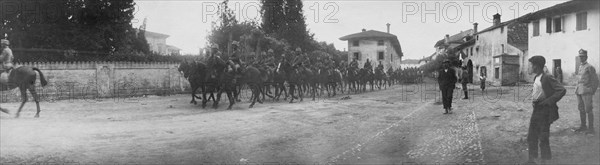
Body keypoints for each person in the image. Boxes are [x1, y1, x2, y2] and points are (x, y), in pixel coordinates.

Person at [525, 56, 566, 164]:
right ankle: (532, 160)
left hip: (545, 111)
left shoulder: (547, 77)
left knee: (543, 136)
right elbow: (539, 90)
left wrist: (547, 102)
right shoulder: (536, 77)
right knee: (532, 134)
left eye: (532, 65)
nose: (530, 67)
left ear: (537, 66)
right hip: (537, 109)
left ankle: (545, 160)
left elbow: (561, 90)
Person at [574, 49, 599, 134]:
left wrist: (592, 90)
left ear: (586, 57)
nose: (581, 58)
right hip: (579, 91)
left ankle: (591, 129)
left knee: (588, 109)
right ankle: (583, 126)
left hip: (586, 91)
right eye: (580, 56)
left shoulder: (589, 67)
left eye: (583, 56)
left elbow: (595, 80)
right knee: (581, 109)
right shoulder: (580, 66)